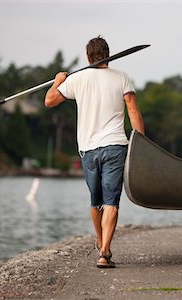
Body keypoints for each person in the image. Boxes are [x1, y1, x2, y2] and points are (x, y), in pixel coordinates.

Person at [45, 36, 145, 268]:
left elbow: (49, 101)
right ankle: (104, 250)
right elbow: (133, 111)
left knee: (95, 201)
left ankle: (103, 246)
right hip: (115, 146)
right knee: (111, 202)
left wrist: (58, 81)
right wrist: (141, 144)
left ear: (87, 57)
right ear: (109, 54)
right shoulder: (122, 78)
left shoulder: (77, 79)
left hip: (88, 150)